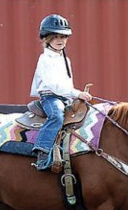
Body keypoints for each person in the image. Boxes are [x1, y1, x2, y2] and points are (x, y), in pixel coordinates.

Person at [29, 14, 93, 171]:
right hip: (50, 97)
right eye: (55, 37)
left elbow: (66, 83)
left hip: (65, 97)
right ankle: (42, 152)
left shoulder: (65, 59)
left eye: (63, 37)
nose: (60, 40)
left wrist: (76, 97)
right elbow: (53, 85)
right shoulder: (45, 59)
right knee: (56, 116)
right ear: (46, 38)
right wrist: (77, 93)